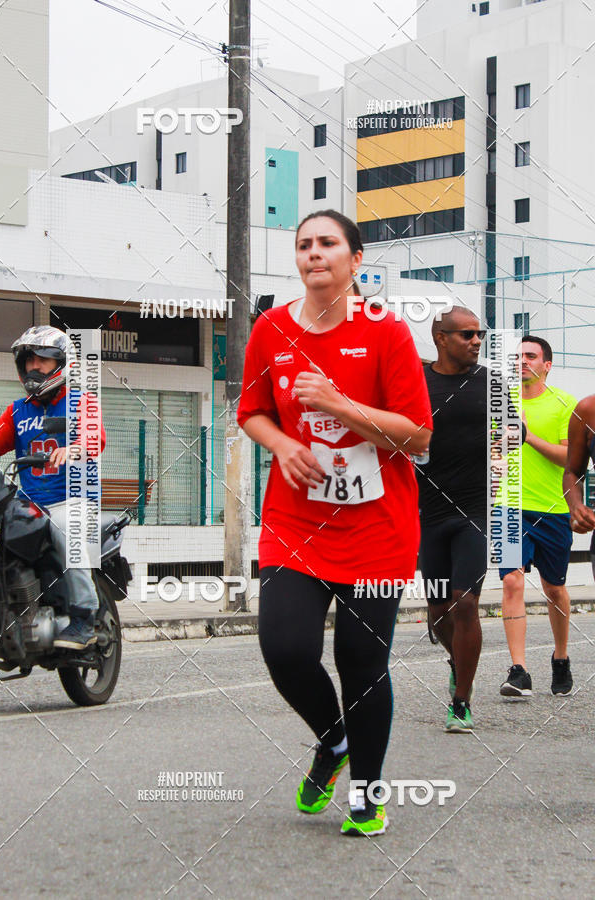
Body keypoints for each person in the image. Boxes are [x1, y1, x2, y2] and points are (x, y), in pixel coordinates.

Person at [237, 210, 432, 836]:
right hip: (295, 522)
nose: (314, 253)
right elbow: (252, 410)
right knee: (285, 649)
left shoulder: (386, 331)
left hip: (377, 528)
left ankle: (367, 793)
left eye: (327, 243)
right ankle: (334, 739)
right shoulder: (270, 329)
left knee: (360, 661)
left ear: (355, 260)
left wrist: (336, 403)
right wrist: (282, 444)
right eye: (304, 245)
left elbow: (417, 434)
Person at [0, 326, 106, 650]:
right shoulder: (17, 411)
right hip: (29, 504)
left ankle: (85, 618)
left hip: (71, 501)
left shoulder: (81, 402)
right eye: (29, 360)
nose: (34, 367)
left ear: (61, 363)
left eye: (42, 360)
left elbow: (94, 438)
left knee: (65, 530)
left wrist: (73, 449)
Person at [417, 306, 488, 733]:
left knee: (466, 601)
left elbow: (510, 438)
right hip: (428, 512)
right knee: (439, 609)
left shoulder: (490, 383)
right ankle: (457, 662)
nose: (476, 341)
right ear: (441, 338)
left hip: (474, 512)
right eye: (467, 334)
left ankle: (461, 701)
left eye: (480, 334)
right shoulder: (416, 382)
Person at [499, 336, 576, 697]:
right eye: (518, 356)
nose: (522, 361)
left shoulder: (565, 404)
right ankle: (519, 671)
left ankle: (560, 657)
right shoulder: (501, 403)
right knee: (511, 581)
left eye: (530, 356)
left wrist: (527, 437)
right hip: (508, 506)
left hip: (553, 509)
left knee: (554, 589)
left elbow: (570, 458)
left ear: (547, 365)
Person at [562, 395, 595, 568]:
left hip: (550, 517)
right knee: (511, 579)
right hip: (512, 512)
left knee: (553, 584)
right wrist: (576, 506)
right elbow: (572, 472)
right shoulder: (588, 409)